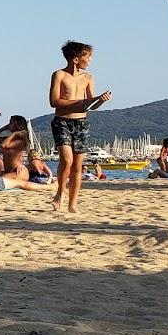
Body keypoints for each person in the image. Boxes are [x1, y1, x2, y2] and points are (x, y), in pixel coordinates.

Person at [49, 39, 111, 212]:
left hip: (81, 122)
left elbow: (91, 105)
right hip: (62, 121)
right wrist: (81, 102)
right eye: (87, 57)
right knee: (67, 160)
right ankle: (60, 192)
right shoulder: (59, 75)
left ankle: (73, 203)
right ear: (76, 59)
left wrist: (100, 100)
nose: (90, 60)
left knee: (78, 164)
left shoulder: (88, 78)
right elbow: (54, 101)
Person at [0, 116, 33, 181]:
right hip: (9, 172)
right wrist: (2, 129)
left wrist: (15, 134)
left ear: (16, 124)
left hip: (18, 171)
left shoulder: (21, 141)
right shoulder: (8, 139)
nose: (8, 125)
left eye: (10, 123)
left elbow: (4, 145)